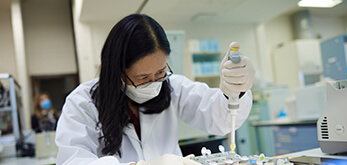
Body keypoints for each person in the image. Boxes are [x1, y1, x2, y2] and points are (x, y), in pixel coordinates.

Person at [55, 13, 255, 165]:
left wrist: (235, 90)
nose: (154, 83)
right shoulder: (82, 103)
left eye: (160, 72)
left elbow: (220, 119)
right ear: (117, 71)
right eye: (142, 78)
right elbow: (73, 160)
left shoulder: (173, 86)